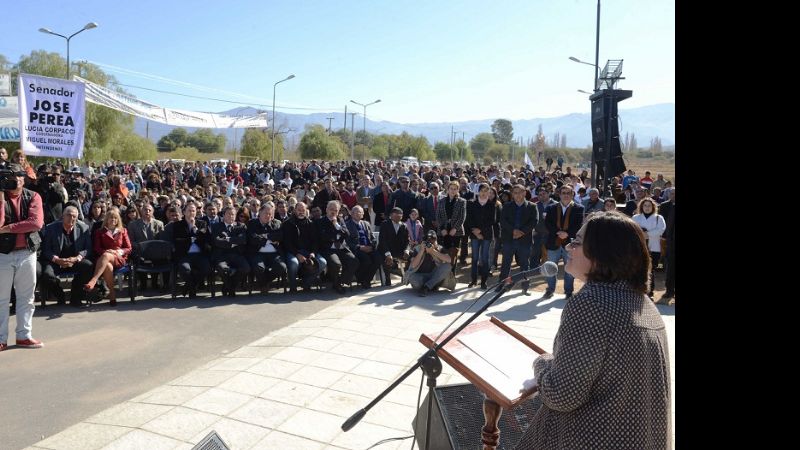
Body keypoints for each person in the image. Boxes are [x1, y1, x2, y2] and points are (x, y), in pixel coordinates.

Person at [514, 211, 672, 449]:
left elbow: (561, 395)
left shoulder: (593, 303)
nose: (569, 247)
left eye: (577, 242)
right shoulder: (643, 303)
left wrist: (542, 362)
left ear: (601, 252)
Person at [0, 163, 45, 351]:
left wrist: (9, 228)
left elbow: (36, 223)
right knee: (1, 299)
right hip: (3, 254)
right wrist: (1, 200)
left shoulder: (33, 196)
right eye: (12, 176)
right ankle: (1, 339)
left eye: (19, 175)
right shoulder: (1, 196)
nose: (16, 179)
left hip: (27, 252)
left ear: (24, 177)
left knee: (26, 297)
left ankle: (24, 336)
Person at [39, 206, 94, 307]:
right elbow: (46, 249)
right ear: (62, 216)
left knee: (88, 266)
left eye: (74, 216)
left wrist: (76, 258)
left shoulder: (83, 228)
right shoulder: (51, 228)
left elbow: (88, 249)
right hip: (56, 260)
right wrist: (57, 260)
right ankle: (60, 295)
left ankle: (75, 297)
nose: (71, 218)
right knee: (47, 274)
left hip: (74, 260)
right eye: (68, 215)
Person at [543, 184, 584, 299]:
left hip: (570, 243)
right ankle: (550, 290)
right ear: (559, 194)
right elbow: (548, 223)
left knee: (570, 269)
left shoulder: (579, 208)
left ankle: (568, 291)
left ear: (572, 194)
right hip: (553, 242)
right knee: (550, 268)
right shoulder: (551, 208)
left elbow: (578, 225)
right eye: (563, 193)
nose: (566, 195)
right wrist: (558, 232)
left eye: (568, 193)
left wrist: (567, 233)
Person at [85, 209, 132, 306]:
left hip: (119, 258)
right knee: (108, 266)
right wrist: (106, 251)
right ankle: (112, 295)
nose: (113, 220)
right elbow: (97, 248)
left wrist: (117, 252)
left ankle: (93, 280)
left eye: (115, 218)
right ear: (106, 219)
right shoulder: (99, 232)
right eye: (111, 218)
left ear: (118, 220)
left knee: (106, 256)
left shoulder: (123, 231)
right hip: (103, 260)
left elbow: (128, 248)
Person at [499, 184, 538, 295]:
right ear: (512, 194)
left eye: (520, 192)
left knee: (525, 265)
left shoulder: (532, 206)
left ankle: (525, 287)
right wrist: (513, 231)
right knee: (506, 264)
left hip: (524, 240)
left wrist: (521, 233)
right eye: (515, 193)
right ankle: (502, 286)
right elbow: (503, 221)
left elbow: (533, 222)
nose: (517, 195)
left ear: (524, 193)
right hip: (509, 239)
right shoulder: (506, 206)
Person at [633, 198, 666, 297]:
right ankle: (638, 291)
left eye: (649, 206)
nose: (647, 208)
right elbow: (631, 229)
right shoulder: (636, 217)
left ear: (653, 207)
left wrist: (647, 234)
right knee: (638, 270)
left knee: (651, 271)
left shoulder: (658, 218)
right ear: (641, 207)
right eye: (645, 205)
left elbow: (661, 230)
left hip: (654, 248)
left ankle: (650, 292)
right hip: (639, 249)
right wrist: (641, 234)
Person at [406, 230, 455, 296]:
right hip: (421, 276)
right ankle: (431, 285)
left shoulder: (440, 248)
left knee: (447, 266)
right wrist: (421, 251)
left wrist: (433, 251)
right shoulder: (418, 248)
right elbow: (413, 265)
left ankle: (426, 287)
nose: (430, 243)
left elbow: (449, 260)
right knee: (412, 278)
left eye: (433, 240)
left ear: (436, 240)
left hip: (434, 275)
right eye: (428, 241)